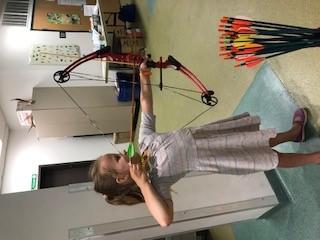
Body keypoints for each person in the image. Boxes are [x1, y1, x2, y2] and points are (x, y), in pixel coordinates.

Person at [89, 58, 320, 227]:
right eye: (116, 158)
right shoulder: (155, 181)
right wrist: (143, 184)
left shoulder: (144, 142)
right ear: (120, 177)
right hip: (218, 157)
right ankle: (314, 158)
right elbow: (164, 219)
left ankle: (293, 133)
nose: (121, 153)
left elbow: (146, 105)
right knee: (269, 158)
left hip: (211, 135)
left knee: (257, 139)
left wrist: (143, 77)